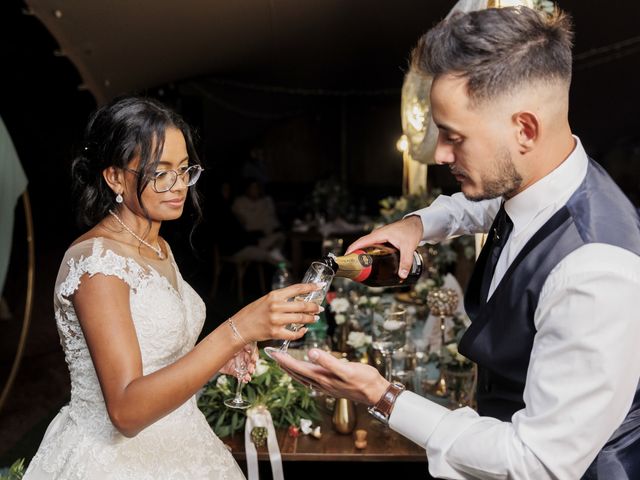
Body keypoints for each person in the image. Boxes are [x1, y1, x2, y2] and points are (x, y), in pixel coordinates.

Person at [273, 7, 640, 480]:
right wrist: (416, 225)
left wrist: (382, 396)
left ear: (524, 129)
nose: (441, 155)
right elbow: (479, 206)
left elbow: (537, 461)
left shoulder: (596, 273)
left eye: (454, 137)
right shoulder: (544, 179)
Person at [24, 97, 322, 479]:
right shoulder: (98, 264)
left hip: (184, 440)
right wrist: (236, 330)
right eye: (160, 172)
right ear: (115, 177)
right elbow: (126, 412)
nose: (179, 185)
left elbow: (158, 355)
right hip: (118, 462)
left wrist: (216, 360)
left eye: (184, 170)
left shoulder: (157, 245)